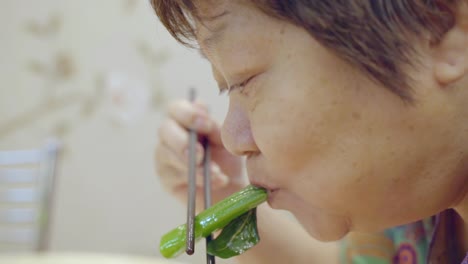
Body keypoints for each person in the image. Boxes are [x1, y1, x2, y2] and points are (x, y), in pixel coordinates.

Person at [152, 1, 468, 263]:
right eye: (227, 89)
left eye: (244, 81)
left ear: (436, 28)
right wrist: (220, 193)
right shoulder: (414, 211)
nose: (233, 139)